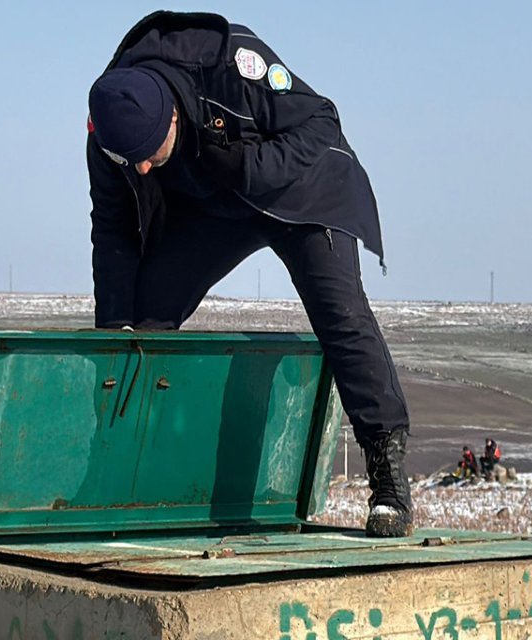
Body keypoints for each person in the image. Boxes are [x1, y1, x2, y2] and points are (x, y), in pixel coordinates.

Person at [86, 12, 411, 537]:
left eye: (149, 157)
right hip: (213, 204)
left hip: (296, 189)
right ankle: (123, 468)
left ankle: (388, 475)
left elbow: (322, 120)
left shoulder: (231, 64)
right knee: (145, 313)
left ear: (171, 118)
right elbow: (113, 230)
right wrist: (114, 334)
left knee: (340, 314)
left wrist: (251, 169)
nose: (142, 170)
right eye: (132, 162)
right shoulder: (110, 129)